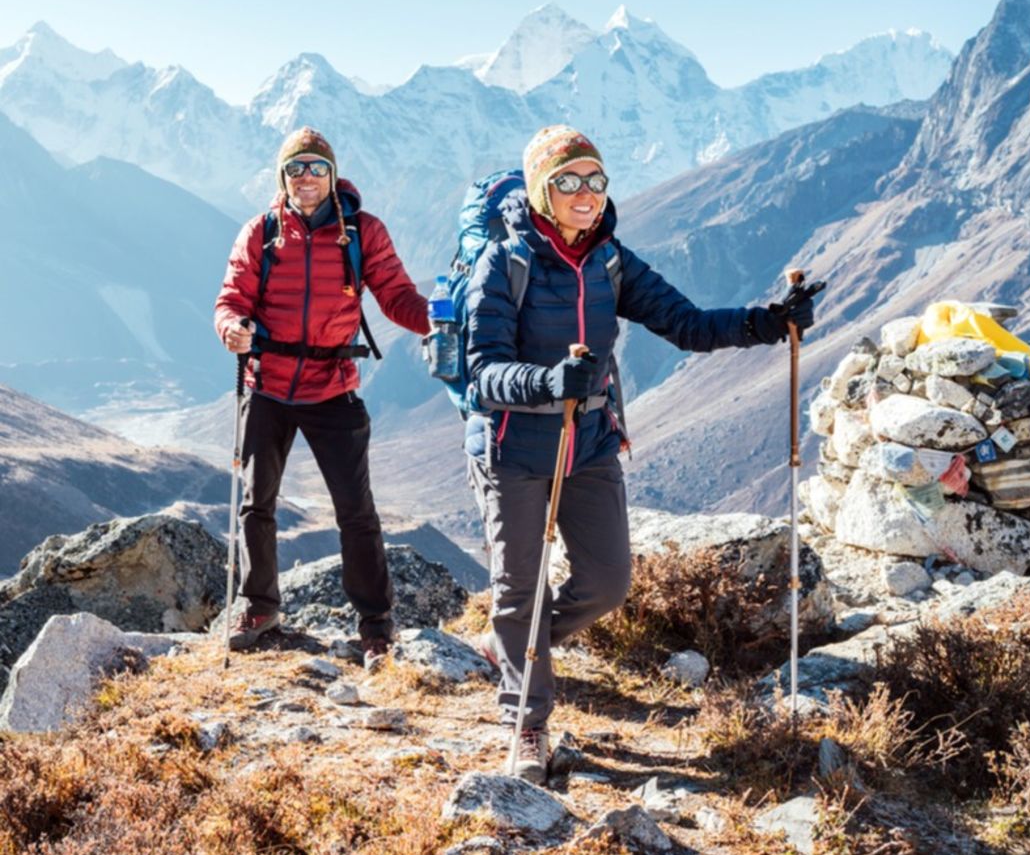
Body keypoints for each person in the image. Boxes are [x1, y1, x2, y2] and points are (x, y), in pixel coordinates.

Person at [464, 124, 822, 781]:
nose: (585, 194)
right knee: (521, 592)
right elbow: (482, 372)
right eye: (568, 181)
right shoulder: (505, 263)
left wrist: (766, 322)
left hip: (590, 444)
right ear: (543, 191)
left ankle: (514, 646)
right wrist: (547, 383)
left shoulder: (610, 261)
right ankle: (527, 726)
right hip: (516, 450)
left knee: (608, 582)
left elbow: (685, 323)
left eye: (595, 180)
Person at [214, 127, 429, 670]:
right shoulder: (261, 232)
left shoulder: (362, 232)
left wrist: (439, 319)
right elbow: (231, 298)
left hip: (333, 386)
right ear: (281, 177)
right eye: (295, 168)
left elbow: (397, 296)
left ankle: (376, 626)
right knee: (254, 504)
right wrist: (232, 327)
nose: (305, 177)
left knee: (356, 512)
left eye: (315, 167)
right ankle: (259, 608)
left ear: (332, 175)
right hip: (267, 384)